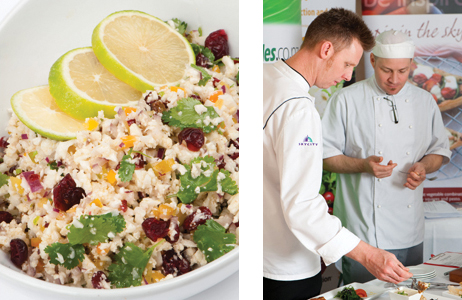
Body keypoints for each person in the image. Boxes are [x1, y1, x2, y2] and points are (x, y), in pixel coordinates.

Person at [263, 9, 413, 300]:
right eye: (347, 64)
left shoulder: (264, 76)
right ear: (326, 49)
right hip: (285, 268)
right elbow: (302, 205)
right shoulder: (298, 107)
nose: (347, 76)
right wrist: (368, 254)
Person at [321, 30, 452, 284]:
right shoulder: (346, 100)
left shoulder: (425, 102)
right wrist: (363, 165)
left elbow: (439, 151)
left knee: (411, 292)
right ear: (372, 62)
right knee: (363, 294)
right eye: (386, 70)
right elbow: (325, 157)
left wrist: (424, 167)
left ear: (411, 66)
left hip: (410, 229)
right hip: (363, 233)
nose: (394, 79)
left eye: (402, 71)